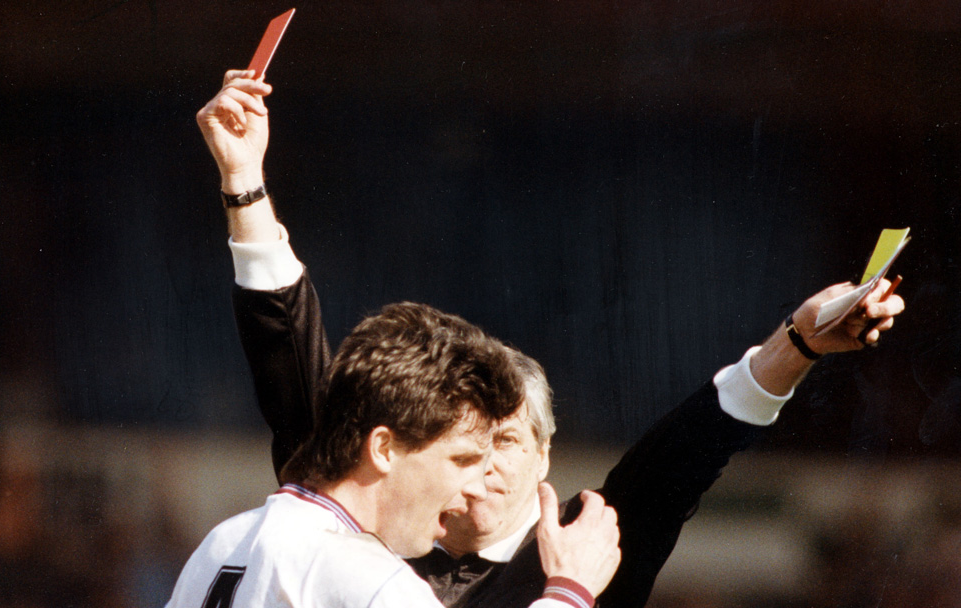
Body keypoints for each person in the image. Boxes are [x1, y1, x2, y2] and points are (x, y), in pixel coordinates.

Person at [196, 70, 906, 608]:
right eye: (466, 448)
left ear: (545, 458)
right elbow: (287, 348)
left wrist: (798, 346)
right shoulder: (365, 510)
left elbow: (692, 450)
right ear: (399, 447)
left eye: (504, 443)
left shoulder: (587, 544)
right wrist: (244, 183)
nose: (483, 471)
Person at [165, 297, 622, 608]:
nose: (474, 483)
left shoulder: (222, 542)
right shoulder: (369, 579)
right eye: (460, 459)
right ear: (383, 448)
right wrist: (569, 590)